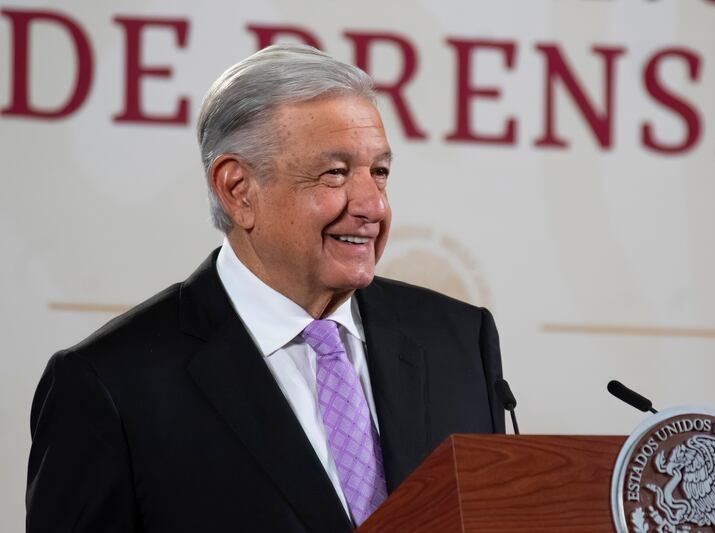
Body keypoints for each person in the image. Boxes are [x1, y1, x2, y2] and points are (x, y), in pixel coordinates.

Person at [26, 44, 505, 533]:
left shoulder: (459, 340)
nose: (372, 206)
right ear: (238, 190)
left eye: (378, 173)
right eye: (335, 173)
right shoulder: (111, 385)